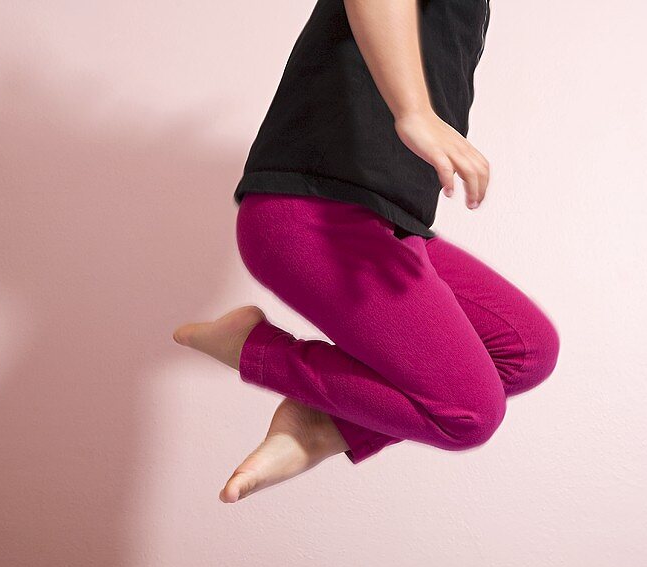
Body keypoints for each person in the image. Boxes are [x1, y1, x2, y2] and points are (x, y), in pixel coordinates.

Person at [174, 0, 560, 503]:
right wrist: (414, 111)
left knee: (524, 349)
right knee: (468, 415)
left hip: (383, 223)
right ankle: (255, 348)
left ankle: (324, 425)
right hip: (316, 212)